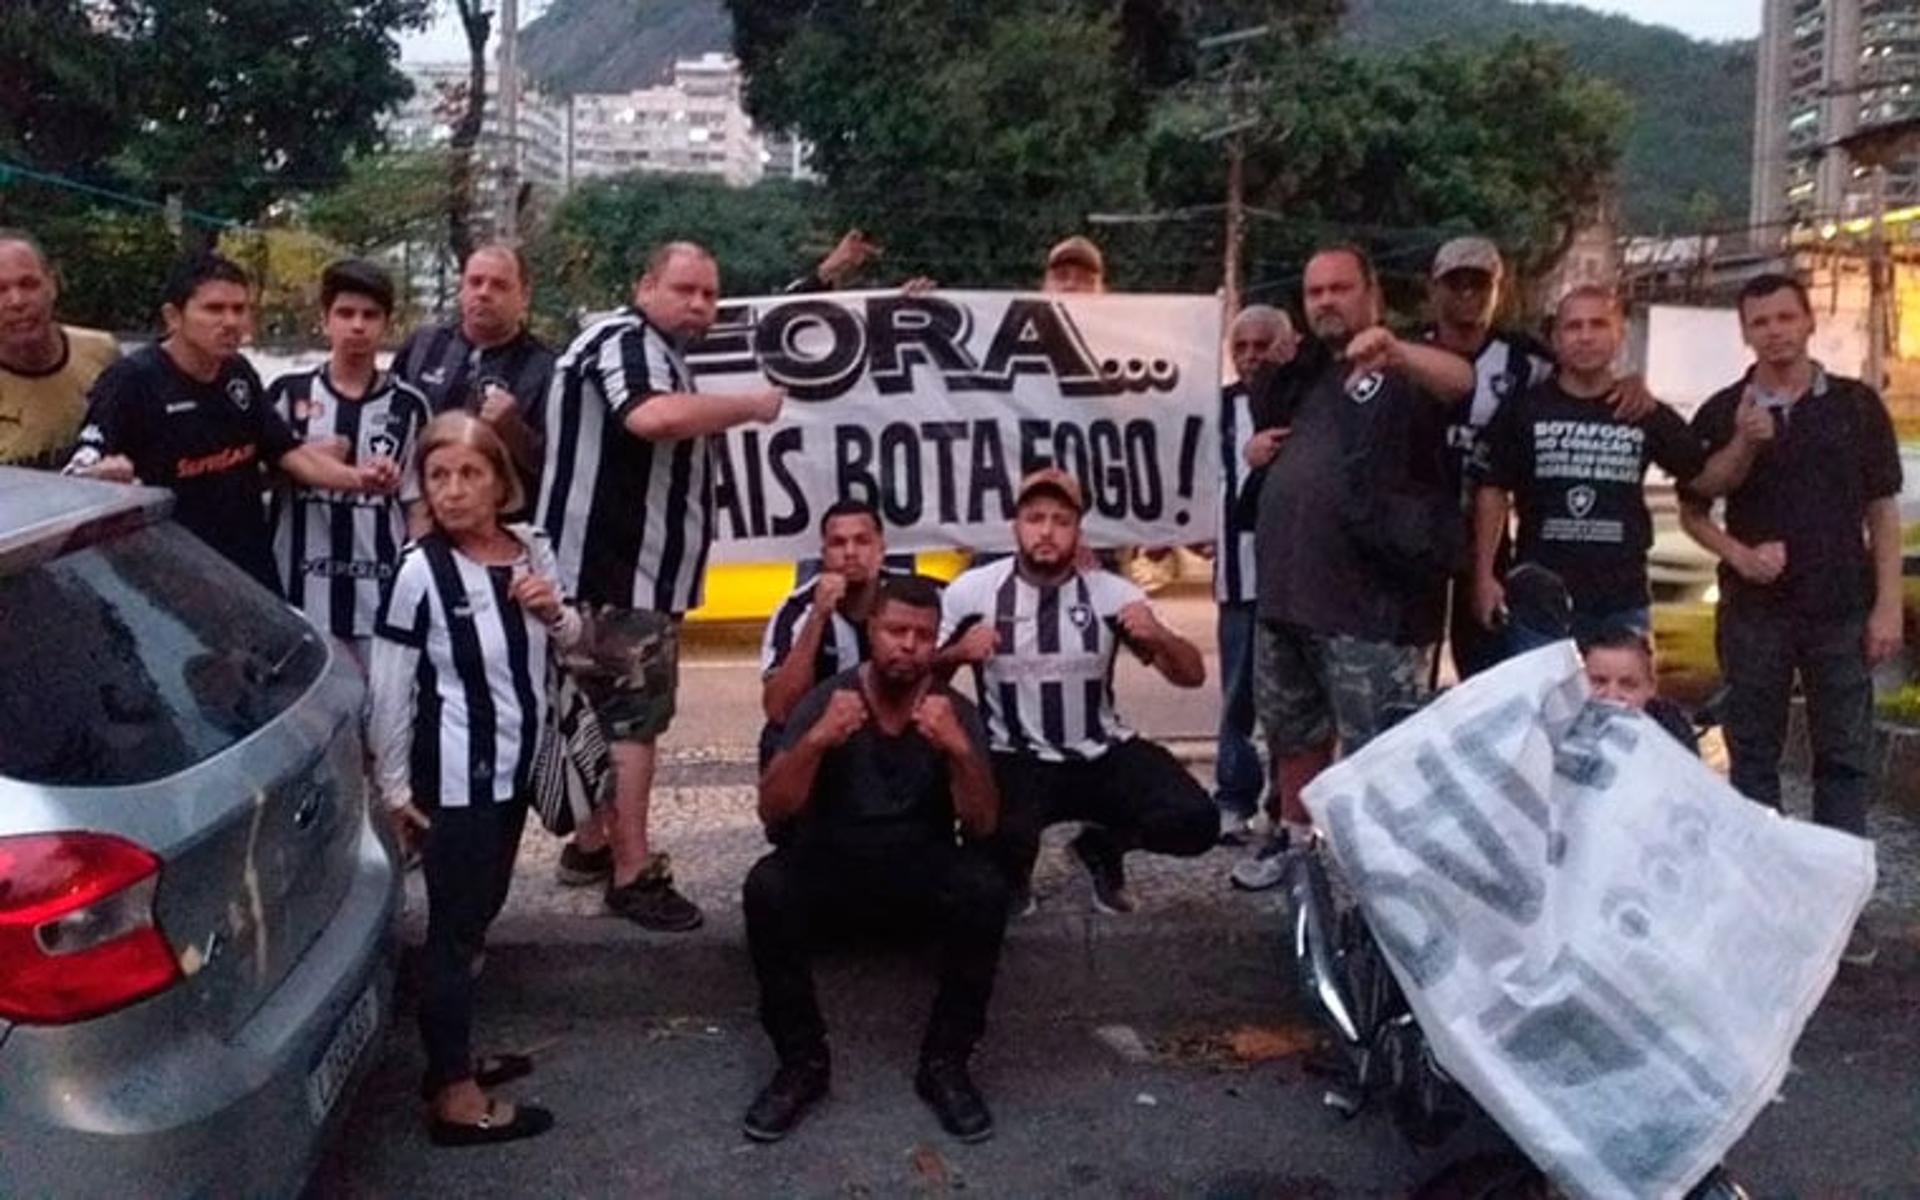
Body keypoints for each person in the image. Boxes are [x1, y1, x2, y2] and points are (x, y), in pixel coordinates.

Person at [536, 241, 785, 930]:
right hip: (618, 576)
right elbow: (650, 417)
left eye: (710, 293)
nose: (701, 305)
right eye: (685, 289)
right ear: (646, 285)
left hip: (606, 575)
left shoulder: (637, 343)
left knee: (590, 716)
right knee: (632, 726)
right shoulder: (629, 341)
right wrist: (750, 406)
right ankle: (631, 871)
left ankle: (593, 846)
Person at [1230, 244, 1476, 891]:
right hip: (1288, 597)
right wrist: (1258, 449)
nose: (1327, 301)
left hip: (1372, 608)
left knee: (1383, 749)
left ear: (1372, 292)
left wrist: (1396, 352)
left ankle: (1387, 871)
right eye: (1314, 293)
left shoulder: (1409, 364)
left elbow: (1462, 383)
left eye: (1340, 288)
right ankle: (1295, 843)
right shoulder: (1307, 371)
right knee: (1293, 733)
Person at [1679, 272, 1903, 966]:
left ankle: (1840, 913)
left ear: (1809, 323)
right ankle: (1760, 904)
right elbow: (1695, 504)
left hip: (1840, 608)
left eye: (1785, 318)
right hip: (1755, 615)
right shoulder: (1723, 410)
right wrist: (1739, 553)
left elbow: (1883, 510)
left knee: (1842, 760)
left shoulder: (1858, 408)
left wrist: (1887, 603)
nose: (1774, 331)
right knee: (1754, 760)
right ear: (1745, 333)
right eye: (1760, 322)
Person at [369, 411, 580, 1147]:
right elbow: (391, 684)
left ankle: (450, 1058)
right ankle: (455, 1097)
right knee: (454, 934)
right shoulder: (420, 568)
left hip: (515, 773)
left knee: (479, 916)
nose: (454, 491)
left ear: (501, 483)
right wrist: (396, 787)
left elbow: (572, 639)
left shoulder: (530, 550)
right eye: (438, 476)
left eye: (470, 474)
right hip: (453, 781)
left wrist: (554, 613)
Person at [742, 574, 1006, 1144]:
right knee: (767, 886)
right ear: (871, 630)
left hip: (918, 873)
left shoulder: (951, 710)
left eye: (922, 634)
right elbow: (773, 811)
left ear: (936, 642)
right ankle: (801, 1064)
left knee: (986, 886)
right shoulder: (828, 698)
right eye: (895, 631)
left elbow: (983, 824)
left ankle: (946, 1064)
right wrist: (815, 741)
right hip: (833, 869)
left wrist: (959, 752)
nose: (907, 645)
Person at [940, 468, 1215, 915]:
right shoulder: (974, 593)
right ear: (1015, 526)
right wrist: (956, 654)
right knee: (992, 851)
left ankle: (1101, 847)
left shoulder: (1111, 593)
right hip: (1015, 755)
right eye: (1034, 518)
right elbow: (918, 679)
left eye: (1060, 520)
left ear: (1077, 530)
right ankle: (1015, 871)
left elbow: (1190, 676)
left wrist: (1160, 637)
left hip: (1099, 751)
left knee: (1196, 822)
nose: (1046, 531)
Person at [65, 252, 400, 593]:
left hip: (246, 574)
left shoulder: (238, 373)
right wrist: (102, 478)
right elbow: (78, 474)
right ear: (173, 316)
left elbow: (288, 451)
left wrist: (359, 479)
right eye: (214, 309)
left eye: (239, 309)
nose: (230, 321)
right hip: (168, 580)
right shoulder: (132, 380)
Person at [1471, 286, 1770, 652]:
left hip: (1621, 601)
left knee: (1621, 708)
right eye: (1573, 327)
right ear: (1556, 338)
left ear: (1618, 334)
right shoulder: (1524, 409)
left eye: (1597, 324)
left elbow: (1706, 480)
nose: (1585, 336)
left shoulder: (1643, 412)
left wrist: (1745, 441)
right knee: (1541, 709)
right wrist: (1483, 576)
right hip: (1539, 601)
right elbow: (1492, 490)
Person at [268, 259, 432, 662]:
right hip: (298, 597)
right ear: (324, 320)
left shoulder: (409, 407)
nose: (357, 325)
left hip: (379, 601)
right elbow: (254, 479)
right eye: (345, 313)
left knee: (380, 722)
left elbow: (419, 508)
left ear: (387, 324)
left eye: (370, 315)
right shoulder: (288, 395)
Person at [1421, 236, 1557, 678]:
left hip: (1488, 537)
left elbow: (1585, 386)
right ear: (1433, 288)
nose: (1466, 294)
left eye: (1478, 284)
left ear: (1499, 289)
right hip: (1414, 532)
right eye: (1454, 283)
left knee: (1487, 669)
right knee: (1408, 672)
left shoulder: (1528, 361)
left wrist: (1630, 387)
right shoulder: (1410, 354)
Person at [1214, 304, 1298, 844]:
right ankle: (1233, 797)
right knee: (1236, 700)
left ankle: (1287, 805)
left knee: (1295, 706)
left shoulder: (1310, 400)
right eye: (1240, 347)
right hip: (1239, 578)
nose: (1250, 357)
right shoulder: (1215, 408)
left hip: (1301, 581)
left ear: (1287, 346)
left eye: (1262, 345)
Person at [393, 242, 552, 514]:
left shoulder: (547, 368)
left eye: (499, 285)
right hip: (418, 517)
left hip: (499, 526)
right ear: (461, 288)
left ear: (524, 296)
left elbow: (554, 466)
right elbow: (389, 420)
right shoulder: (423, 345)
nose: (483, 293)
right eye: (475, 282)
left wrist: (513, 429)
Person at [757, 499, 897, 767]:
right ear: (823, 553)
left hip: (893, 733)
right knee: (777, 739)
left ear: (881, 550)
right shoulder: (795, 611)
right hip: (824, 739)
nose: (850, 552)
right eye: (838, 543)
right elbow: (779, 709)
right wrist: (818, 617)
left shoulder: (910, 597)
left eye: (862, 541)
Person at [0, 229, 120, 470]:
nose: (17, 301)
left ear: (52, 285)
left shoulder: (102, 353)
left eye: (29, 284)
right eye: (0, 290)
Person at [1579, 626, 1697, 754]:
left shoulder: (1673, 733)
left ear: (1651, 687)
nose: (1612, 696)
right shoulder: (1561, 727)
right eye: (1599, 682)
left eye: (1628, 685)